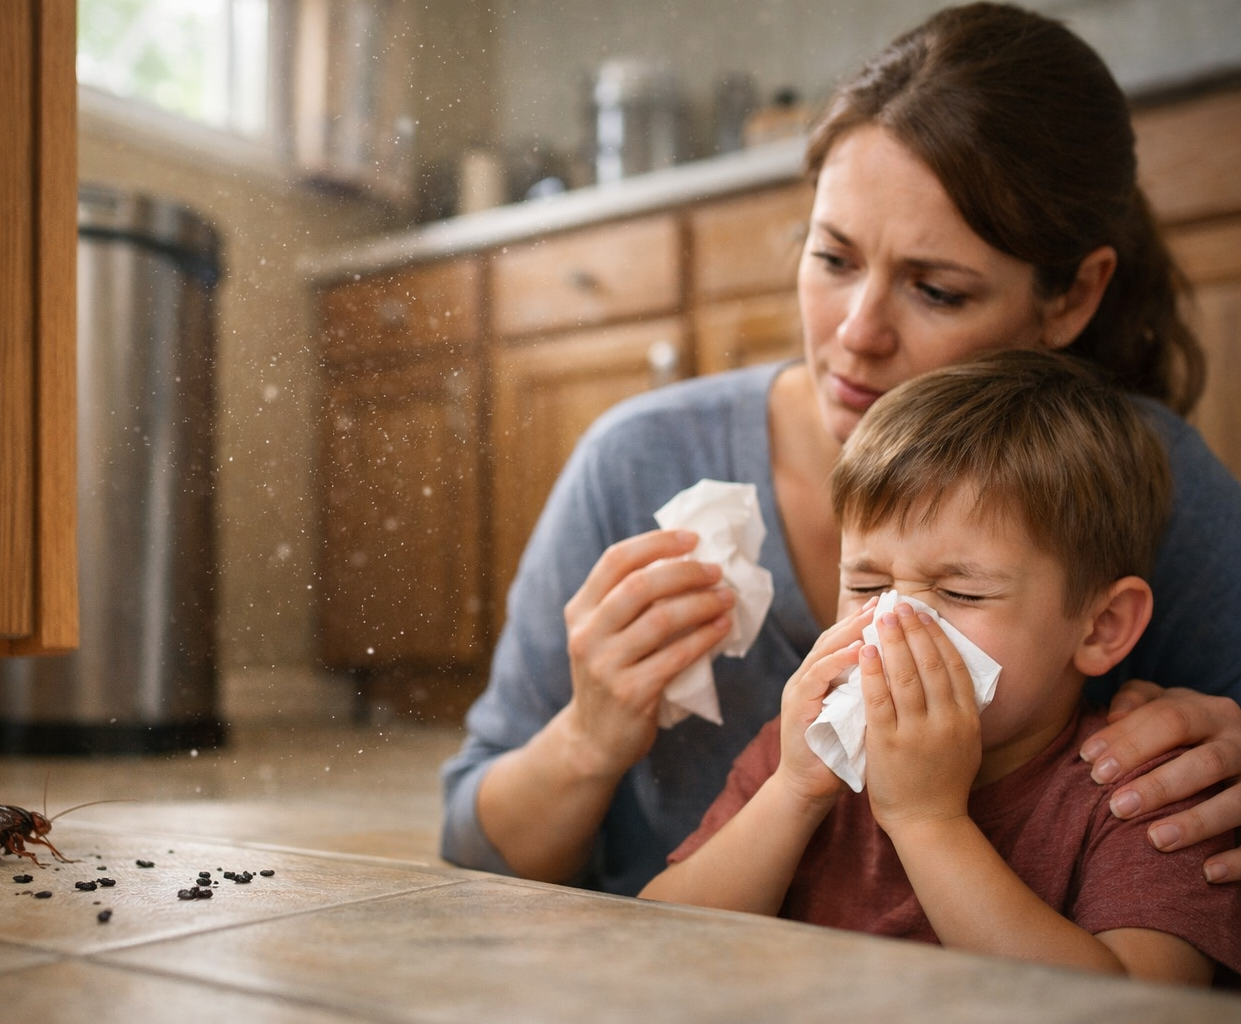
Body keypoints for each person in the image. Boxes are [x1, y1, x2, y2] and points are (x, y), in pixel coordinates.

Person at [441, 2, 1241, 897]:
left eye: (936, 291)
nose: (856, 335)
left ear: (1071, 298)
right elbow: (473, 858)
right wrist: (588, 737)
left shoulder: (1146, 483)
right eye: (832, 259)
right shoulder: (641, 465)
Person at [639, 352, 1240, 985]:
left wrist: (929, 822)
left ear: (1101, 626)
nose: (893, 623)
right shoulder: (799, 757)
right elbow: (651, 951)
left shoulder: (1145, 792)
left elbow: (1142, 1007)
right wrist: (792, 792)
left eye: (962, 593)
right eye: (867, 584)